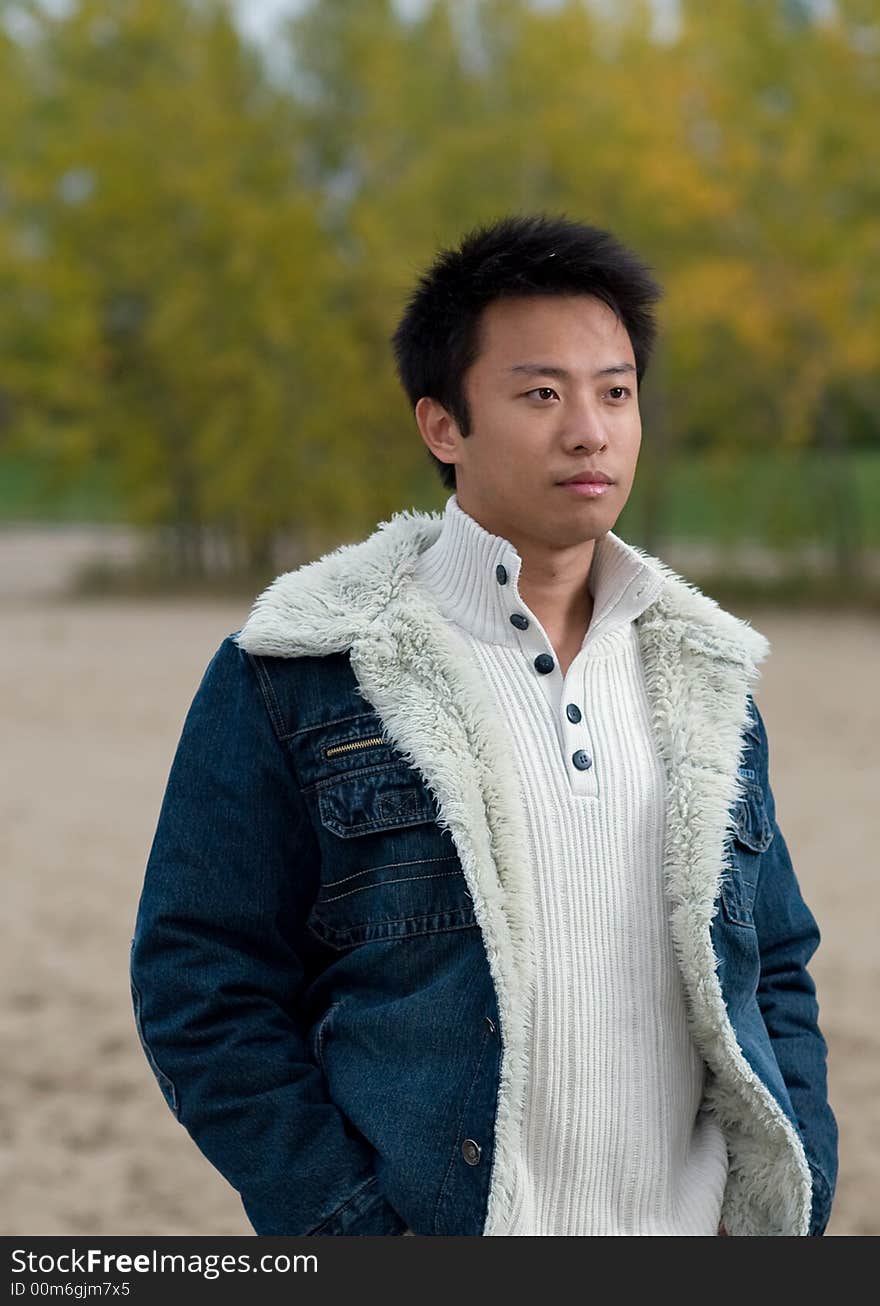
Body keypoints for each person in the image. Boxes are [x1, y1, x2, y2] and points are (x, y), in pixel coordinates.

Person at [129, 212, 838, 1236]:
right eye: (541, 393)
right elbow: (204, 986)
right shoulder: (304, 671)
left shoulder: (703, 671)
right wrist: (351, 1229)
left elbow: (772, 966)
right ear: (442, 425)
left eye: (616, 391)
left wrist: (790, 1188)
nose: (589, 429)